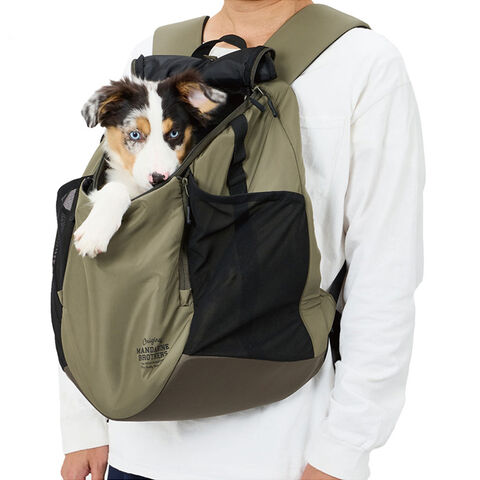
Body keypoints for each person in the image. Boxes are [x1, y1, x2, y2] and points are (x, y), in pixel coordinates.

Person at [59, 1, 425, 479]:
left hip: (284, 452)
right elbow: (95, 253)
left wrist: (344, 449)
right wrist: (85, 417)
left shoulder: (362, 61)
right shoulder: (153, 54)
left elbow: (385, 268)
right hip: (137, 436)